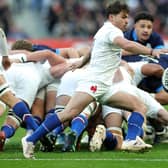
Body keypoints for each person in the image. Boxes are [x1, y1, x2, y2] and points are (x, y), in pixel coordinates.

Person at [21, 1, 168, 159]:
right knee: (68, 113)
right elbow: (127, 44)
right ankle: (30, 139)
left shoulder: (104, 30)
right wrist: (151, 51)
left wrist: (80, 62)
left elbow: (92, 51)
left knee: (139, 106)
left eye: (128, 17)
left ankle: (131, 140)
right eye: (123, 17)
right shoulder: (112, 31)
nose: (127, 20)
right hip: (93, 84)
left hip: (106, 86)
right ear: (112, 17)